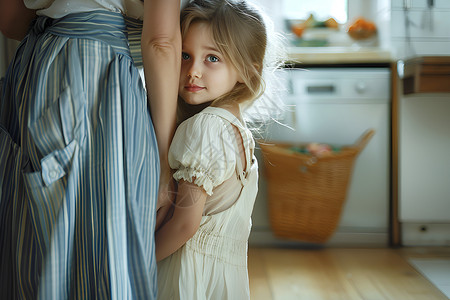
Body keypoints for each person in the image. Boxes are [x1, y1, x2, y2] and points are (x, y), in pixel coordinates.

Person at [0, 0, 182, 299]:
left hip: (36, 70)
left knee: (39, 245)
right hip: (95, 76)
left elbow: (9, 23)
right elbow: (161, 41)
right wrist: (165, 164)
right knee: (104, 251)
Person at [155, 0, 282, 298]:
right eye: (185, 55)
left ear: (248, 72)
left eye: (212, 58)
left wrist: (136, 263)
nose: (193, 71)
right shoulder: (237, 130)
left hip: (188, 277)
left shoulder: (206, 128)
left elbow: (185, 224)